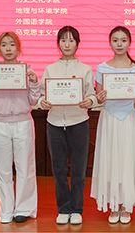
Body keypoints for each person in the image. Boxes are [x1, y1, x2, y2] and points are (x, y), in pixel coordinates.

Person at [0, 32, 40, 224]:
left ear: (18, 48)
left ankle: (24, 208)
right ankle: (5, 209)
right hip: (0, 123)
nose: (8, 48)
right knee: (2, 169)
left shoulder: (27, 71)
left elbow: (33, 100)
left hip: (23, 123)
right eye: (4, 45)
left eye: (12, 44)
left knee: (25, 168)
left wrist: (34, 82)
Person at [91, 26, 135, 224]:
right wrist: (100, 97)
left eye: (123, 40)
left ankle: (126, 205)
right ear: (110, 43)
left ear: (129, 43)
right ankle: (113, 205)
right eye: (115, 40)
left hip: (130, 119)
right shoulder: (102, 68)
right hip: (110, 119)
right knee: (111, 161)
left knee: (128, 161)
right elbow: (99, 98)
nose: (119, 44)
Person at [39, 26, 97, 225]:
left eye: (71, 40)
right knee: (59, 169)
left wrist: (90, 101)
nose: (67, 44)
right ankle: (63, 208)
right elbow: (42, 95)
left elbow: (91, 95)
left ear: (77, 44)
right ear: (58, 43)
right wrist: (42, 102)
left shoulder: (85, 69)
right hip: (54, 123)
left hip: (78, 122)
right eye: (63, 40)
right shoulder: (50, 69)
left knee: (79, 170)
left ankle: (77, 209)